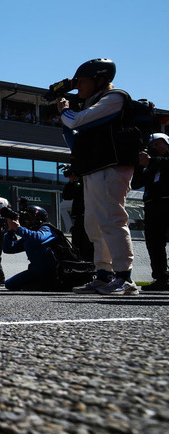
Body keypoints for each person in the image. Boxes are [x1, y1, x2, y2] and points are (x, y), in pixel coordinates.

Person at [58, 59, 139, 295]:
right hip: (94, 169)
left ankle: (125, 277)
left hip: (112, 167)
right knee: (93, 225)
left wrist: (64, 111)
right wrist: (66, 118)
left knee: (112, 220)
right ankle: (104, 275)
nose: (77, 87)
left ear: (99, 79)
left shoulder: (115, 98)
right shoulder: (90, 103)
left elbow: (76, 120)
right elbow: (74, 138)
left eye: (81, 82)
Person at [132, 133, 169, 291]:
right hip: (152, 206)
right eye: (151, 144)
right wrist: (140, 165)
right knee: (154, 243)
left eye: (157, 143)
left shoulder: (161, 161)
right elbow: (135, 184)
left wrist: (152, 160)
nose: (154, 146)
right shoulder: (150, 165)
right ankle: (161, 277)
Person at [2, 205, 62, 291]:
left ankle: (41, 284)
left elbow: (38, 238)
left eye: (28, 217)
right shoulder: (28, 235)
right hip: (36, 270)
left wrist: (19, 229)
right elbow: (8, 249)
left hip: (52, 270)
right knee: (9, 284)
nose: (25, 220)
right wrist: (11, 231)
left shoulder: (46, 228)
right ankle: (39, 284)